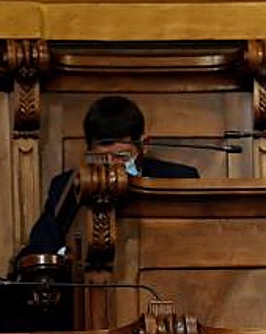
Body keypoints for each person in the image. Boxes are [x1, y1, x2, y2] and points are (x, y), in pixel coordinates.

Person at [20, 95, 199, 256]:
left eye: (121, 156)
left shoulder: (180, 179)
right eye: (102, 158)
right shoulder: (64, 186)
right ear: (89, 148)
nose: (113, 164)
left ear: (143, 144)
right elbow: (39, 249)